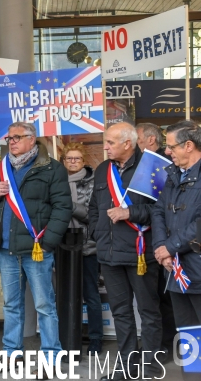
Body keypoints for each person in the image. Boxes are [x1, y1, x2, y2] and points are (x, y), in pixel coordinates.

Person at [0, 122, 71, 379]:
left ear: (32, 140)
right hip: (7, 249)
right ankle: (12, 352)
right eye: (9, 138)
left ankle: (51, 357)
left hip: (37, 248)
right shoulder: (1, 168)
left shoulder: (51, 168)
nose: (11, 142)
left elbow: (62, 208)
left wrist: (47, 243)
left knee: (45, 305)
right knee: (11, 304)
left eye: (17, 137)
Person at [89, 122, 163, 380]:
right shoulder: (102, 170)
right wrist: (96, 233)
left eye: (110, 142)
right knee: (121, 312)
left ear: (128, 144)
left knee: (148, 311)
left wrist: (131, 212)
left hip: (140, 253)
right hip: (109, 254)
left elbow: (161, 211)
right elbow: (94, 208)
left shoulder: (152, 167)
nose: (105, 146)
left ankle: (152, 368)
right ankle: (128, 368)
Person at [152, 121, 201, 381]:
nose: (167, 151)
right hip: (176, 270)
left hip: (196, 267)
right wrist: (162, 248)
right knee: (188, 333)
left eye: (171, 146)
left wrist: (169, 247)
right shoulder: (172, 174)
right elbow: (158, 211)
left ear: (189, 145)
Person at [135, 122, 175, 357]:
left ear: (151, 140)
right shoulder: (143, 163)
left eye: (137, 137)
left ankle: (165, 344)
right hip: (153, 240)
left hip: (165, 242)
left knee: (164, 296)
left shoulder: (160, 164)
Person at [62, 142, 103, 355]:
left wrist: (67, 205)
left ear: (83, 161)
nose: (73, 162)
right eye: (69, 158)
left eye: (77, 158)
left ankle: (96, 338)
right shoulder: (57, 180)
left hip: (87, 246)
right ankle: (70, 337)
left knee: (91, 294)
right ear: (63, 160)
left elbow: (90, 214)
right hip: (63, 248)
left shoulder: (93, 182)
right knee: (66, 296)